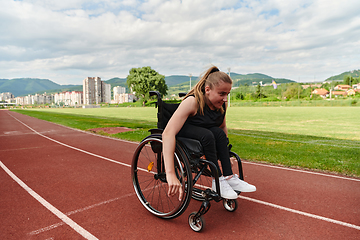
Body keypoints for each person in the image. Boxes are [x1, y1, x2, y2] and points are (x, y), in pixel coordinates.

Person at [162, 66, 256, 201]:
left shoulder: (222, 105)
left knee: (217, 133)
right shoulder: (192, 101)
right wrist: (170, 173)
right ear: (207, 90)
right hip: (183, 131)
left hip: (205, 133)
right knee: (208, 135)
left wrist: (226, 156)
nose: (225, 99)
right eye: (222, 94)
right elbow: (167, 133)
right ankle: (217, 180)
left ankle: (229, 176)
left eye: (227, 94)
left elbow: (222, 127)